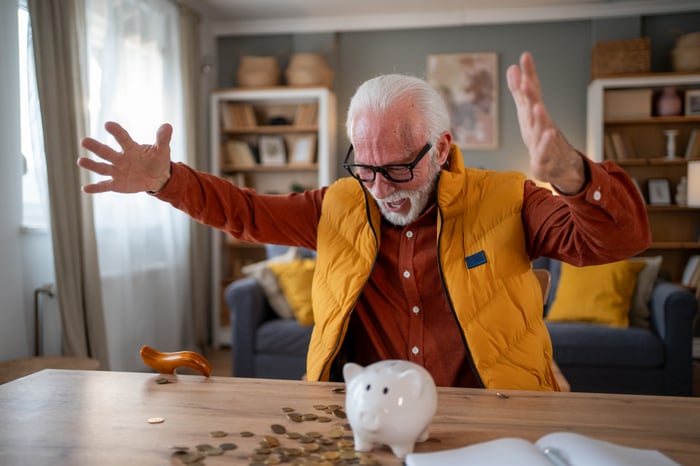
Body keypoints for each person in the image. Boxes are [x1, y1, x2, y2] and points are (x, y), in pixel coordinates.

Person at [78, 52, 650, 390]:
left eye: (399, 169)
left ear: (442, 146)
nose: (380, 189)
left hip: (494, 418)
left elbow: (619, 237)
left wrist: (573, 173)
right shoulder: (341, 203)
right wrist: (166, 181)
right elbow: (247, 212)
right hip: (363, 413)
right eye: (366, 168)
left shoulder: (508, 198)